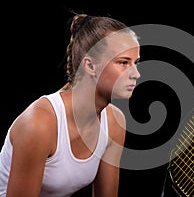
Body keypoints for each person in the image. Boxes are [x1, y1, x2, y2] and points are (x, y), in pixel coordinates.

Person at [0, 12, 141, 197]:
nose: (136, 74)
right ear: (90, 66)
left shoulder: (115, 122)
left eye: (136, 63)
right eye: (123, 62)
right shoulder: (39, 124)